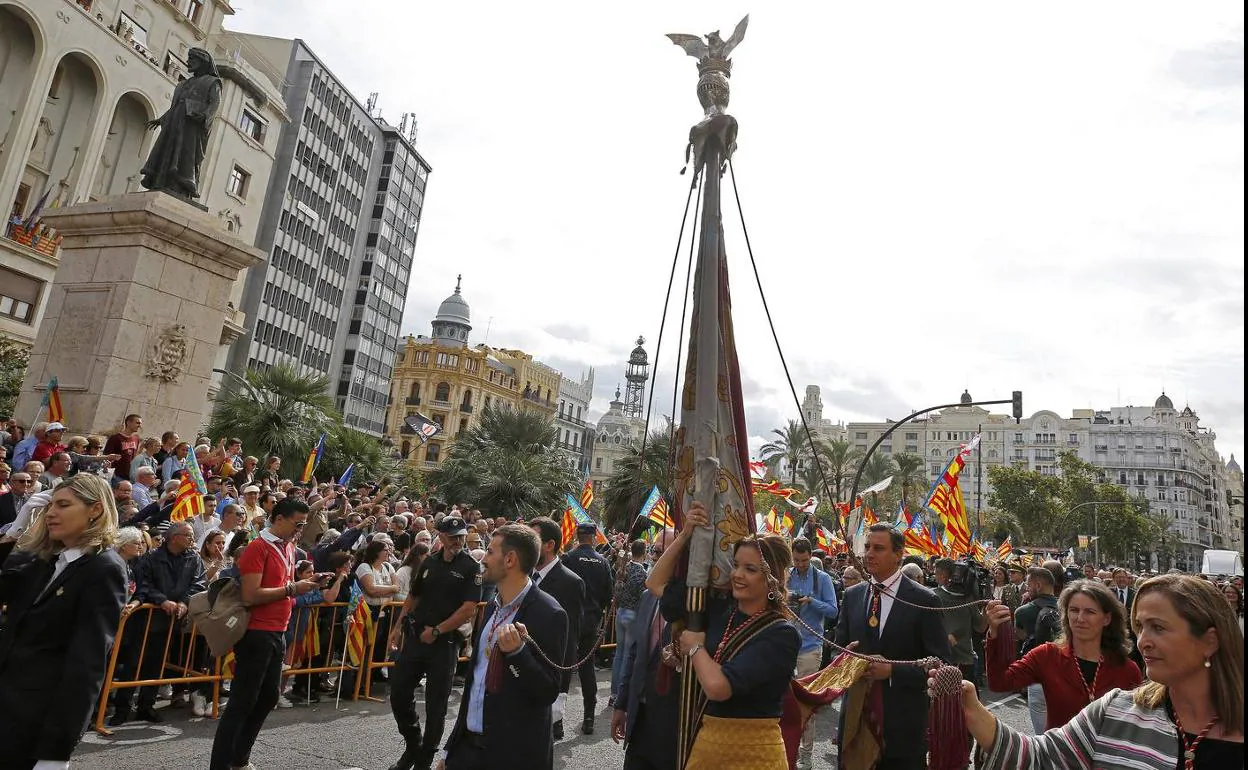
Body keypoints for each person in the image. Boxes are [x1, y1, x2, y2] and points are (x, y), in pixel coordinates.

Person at [951, 573, 1244, 769]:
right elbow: (1039, 757)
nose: (1144, 641)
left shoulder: (1127, 668)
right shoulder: (1115, 708)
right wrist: (973, 710)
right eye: (1141, 627)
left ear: (1210, 641)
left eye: (1159, 628)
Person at [648, 501, 800, 769]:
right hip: (707, 746)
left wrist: (695, 648)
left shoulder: (782, 634)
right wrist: (686, 534)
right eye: (736, 565)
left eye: (750, 569)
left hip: (755, 753)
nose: (737, 575)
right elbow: (655, 583)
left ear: (772, 578)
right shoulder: (718, 608)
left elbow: (718, 688)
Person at [0, 474, 127, 768]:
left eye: (63, 505)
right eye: (49, 506)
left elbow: (86, 664)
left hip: (33, 720)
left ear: (95, 509)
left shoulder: (104, 568)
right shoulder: (45, 559)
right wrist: (16, 529)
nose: (51, 513)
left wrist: (56, 750)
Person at [209, 498, 321, 770]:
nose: (300, 529)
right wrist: (294, 589)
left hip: (278, 631)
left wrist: (305, 585)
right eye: (298, 523)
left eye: (304, 524)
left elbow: (284, 586)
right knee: (242, 701)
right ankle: (223, 764)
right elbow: (250, 596)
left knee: (269, 696)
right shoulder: (257, 548)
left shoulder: (290, 547)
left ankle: (240, 759)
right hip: (257, 633)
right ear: (279, 518)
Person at [443, 525, 567, 770]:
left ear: (510, 559)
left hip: (512, 755)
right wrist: (450, 750)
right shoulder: (491, 606)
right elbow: (475, 684)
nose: (483, 559)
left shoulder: (549, 613)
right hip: (468, 749)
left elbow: (548, 691)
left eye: (490, 552)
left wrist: (518, 654)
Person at [834, 523, 952, 770]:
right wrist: (847, 658)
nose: (869, 554)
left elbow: (942, 664)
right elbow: (838, 647)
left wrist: (893, 671)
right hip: (856, 725)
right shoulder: (853, 596)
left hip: (902, 732)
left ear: (899, 554)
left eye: (878, 548)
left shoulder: (924, 599)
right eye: (867, 547)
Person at [387, 515, 482, 770]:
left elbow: (468, 609)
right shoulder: (429, 562)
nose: (458, 541)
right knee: (398, 693)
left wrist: (438, 631)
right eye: (453, 537)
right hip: (417, 638)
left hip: (444, 643)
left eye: (461, 536)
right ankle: (414, 743)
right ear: (440, 536)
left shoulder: (471, 567)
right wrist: (397, 627)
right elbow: (413, 597)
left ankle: (424, 760)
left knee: (436, 705)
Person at [984, 578, 1142, 732]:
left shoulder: (1127, 670)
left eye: (1090, 612)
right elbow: (1000, 682)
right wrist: (995, 633)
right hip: (1058, 757)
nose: (1080, 618)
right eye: (1074, 610)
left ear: (1106, 619)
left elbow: (1135, 729)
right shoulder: (1047, 655)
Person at [113, 520, 207, 724]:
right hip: (145, 620)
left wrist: (184, 602)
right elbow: (144, 583)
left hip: (171, 621)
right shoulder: (150, 558)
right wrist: (161, 600)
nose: (192, 539)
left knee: (156, 664)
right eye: (188, 535)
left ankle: (146, 706)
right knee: (133, 664)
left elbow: (199, 583)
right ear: (174, 538)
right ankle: (122, 708)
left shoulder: (194, 558)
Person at [528, 516, 586, 741]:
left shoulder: (570, 582)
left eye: (533, 540)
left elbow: (569, 638)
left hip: (546, 673)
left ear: (549, 545)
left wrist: (561, 687)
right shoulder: (526, 576)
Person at [611, 586, 680, 770]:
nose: (659, 558)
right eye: (657, 554)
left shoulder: (696, 602)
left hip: (672, 726)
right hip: (639, 719)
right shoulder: (647, 597)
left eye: (662, 554)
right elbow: (634, 653)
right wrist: (621, 704)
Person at [787, 536, 839, 770]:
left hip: (810, 646)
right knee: (784, 702)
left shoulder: (823, 579)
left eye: (804, 560)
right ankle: (787, 751)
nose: (800, 564)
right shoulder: (787, 575)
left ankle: (806, 755)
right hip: (786, 646)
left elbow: (833, 610)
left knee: (805, 703)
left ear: (811, 557)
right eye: (796, 560)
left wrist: (812, 602)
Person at [561, 522, 613, 735]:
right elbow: (607, 594)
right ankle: (589, 718)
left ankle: (557, 723)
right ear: (593, 537)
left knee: (563, 668)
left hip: (569, 619)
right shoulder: (602, 562)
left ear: (577, 535)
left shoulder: (568, 558)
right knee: (587, 669)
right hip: (590, 621)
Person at [1009, 565, 1062, 731]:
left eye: (1028, 584)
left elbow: (1019, 636)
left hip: (1038, 677)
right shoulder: (1069, 608)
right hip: (1066, 675)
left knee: (1042, 736)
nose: (1027, 588)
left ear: (1038, 585)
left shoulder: (1022, 611)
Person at [933, 558, 988, 684]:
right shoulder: (968, 598)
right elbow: (980, 627)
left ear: (943, 575)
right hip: (964, 661)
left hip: (939, 660)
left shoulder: (932, 596)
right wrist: (986, 611)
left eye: (936, 573)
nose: (935, 577)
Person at [611, 539, 649, 707]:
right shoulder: (641, 572)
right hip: (632, 614)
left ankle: (613, 693)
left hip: (620, 612)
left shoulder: (623, 568)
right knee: (627, 654)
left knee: (619, 654)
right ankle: (620, 693)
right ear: (644, 552)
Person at [104, 415, 143, 483]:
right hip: (116, 476)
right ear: (128, 423)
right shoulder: (115, 438)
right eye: (137, 423)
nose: (139, 426)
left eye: (140, 423)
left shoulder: (136, 439)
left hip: (130, 477)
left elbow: (134, 457)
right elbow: (106, 457)